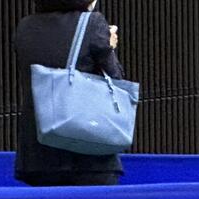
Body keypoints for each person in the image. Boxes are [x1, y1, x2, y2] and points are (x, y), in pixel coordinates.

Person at [13, 0, 125, 186]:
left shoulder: (25, 26)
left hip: (37, 154)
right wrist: (109, 48)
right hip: (87, 152)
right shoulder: (92, 22)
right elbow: (116, 80)